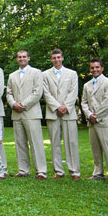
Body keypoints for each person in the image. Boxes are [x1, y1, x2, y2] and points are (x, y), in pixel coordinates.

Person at [81, 58, 108, 184]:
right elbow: (83, 102)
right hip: (91, 122)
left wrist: (96, 116)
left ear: (102, 68)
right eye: (92, 68)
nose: (95, 70)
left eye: (97, 67)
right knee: (96, 149)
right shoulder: (87, 85)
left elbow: (107, 102)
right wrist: (89, 115)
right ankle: (98, 173)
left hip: (104, 121)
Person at [6, 50, 47, 179]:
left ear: (28, 58)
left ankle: (41, 171)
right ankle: (23, 170)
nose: (22, 59)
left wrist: (22, 104)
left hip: (31, 112)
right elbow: (9, 93)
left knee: (36, 142)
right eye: (19, 57)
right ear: (17, 59)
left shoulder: (36, 72)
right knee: (20, 142)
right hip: (16, 114)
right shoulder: (12, 75)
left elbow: (37, 92)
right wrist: (13, 104)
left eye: (24, 57)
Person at [42, 49, 80, 180]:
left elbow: (74, 91)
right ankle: (58, 170)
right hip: (53, 113)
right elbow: (46, 93)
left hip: (68, 113)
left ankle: (74, 170)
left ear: (62, 58)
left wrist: (65, 107)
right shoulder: (45, 74)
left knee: (72, 142)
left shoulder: (72, 73)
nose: (56, 60)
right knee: (55, 142)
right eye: (54, 58)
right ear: (51, 59)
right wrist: (57, 107)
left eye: (58, 57)